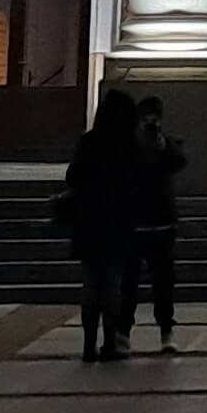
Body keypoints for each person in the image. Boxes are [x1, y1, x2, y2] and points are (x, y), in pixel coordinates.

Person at [57, 90, 145, 360]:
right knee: (112, 287)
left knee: (91, 285)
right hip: (119, 224)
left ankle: (88, 344)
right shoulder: (130, 146)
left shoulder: (89, 142)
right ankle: (110, 343)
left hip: (89, 222)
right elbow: (140, 182)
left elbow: (73, 176)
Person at [131, 94, 189, 354]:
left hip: (162, 223)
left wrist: (161, 142)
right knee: (129, 281)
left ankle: (166, 330)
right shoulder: (129, 147)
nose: (150, 123)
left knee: (163, 282)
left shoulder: (167, 144)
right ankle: (123, 330)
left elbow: (179, 162)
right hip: (136, 222)